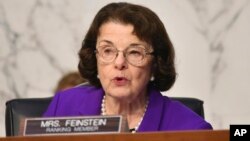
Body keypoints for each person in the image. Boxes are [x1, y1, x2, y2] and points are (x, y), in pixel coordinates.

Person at [43, 2, 212, 132]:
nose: (119, 63)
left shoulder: (190, 128)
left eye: (134, 53)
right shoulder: (64, 106)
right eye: (108, 50)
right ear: (94, 56)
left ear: (155, 63)